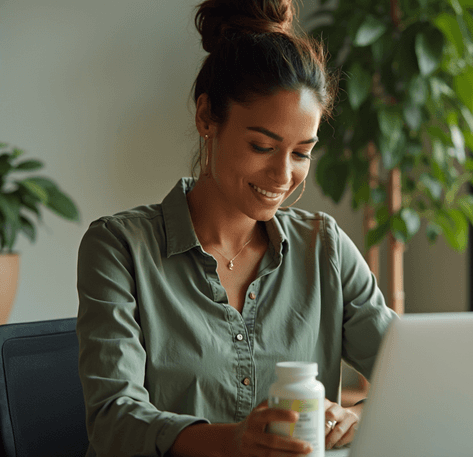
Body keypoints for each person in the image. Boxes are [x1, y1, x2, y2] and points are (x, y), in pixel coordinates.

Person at [75, 1, 397, 456]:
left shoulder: (324, 246)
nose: (284, 175)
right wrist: (235, 440)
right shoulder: (119, 248)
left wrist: (353, 418)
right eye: (263, 146)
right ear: (207, 117)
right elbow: (114, 421)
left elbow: (411, 378)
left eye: (302, 152)